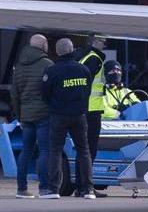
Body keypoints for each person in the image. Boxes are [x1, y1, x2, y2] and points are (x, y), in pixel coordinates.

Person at [42, 38, 98, 199]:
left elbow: (44, 94)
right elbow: (87, 91)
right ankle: (88, 189)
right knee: (84, 151)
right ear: (72, 50)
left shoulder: (52, 71)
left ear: (58, 52)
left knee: (55, 150)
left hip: (58, 115)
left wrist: (55, 105)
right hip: (79, 115)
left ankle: (53, 189)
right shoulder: (83, 70)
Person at [10, 34, 53, 198]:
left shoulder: (19, 66)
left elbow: (14, 94)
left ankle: (21, 189)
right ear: (43, 45)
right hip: (44, 115)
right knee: (44, 150)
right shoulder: (47, 64)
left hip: (26, 116)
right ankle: (44, 188)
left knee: (26, 151)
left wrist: (19, 115)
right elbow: (51, 91)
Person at [77, 35, 107, 181]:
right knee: (89, 150)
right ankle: (85, 186)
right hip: (91, 110)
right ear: (94, 42)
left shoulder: (85, 56)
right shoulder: (94, 59)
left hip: (84, 108)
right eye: (102, 41)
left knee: (83, 149)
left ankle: (81, 185)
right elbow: (86, 82)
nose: (105, 44)